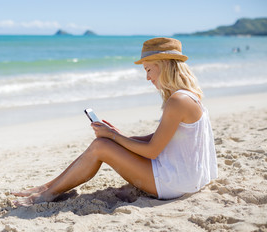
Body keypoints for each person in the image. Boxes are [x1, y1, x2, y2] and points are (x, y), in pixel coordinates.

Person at [12, 37, 218, 206]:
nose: (147, 77)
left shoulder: (177, 101)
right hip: (188, 177)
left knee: (101, 146)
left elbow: (153, 151)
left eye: (148, 69)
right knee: (105, 143)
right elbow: (161, 139)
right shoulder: (187, 96)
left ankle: (47, 193)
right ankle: (46, 188)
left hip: (176, 183)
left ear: (163, 66)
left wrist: (113, 137)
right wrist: (119, 137)